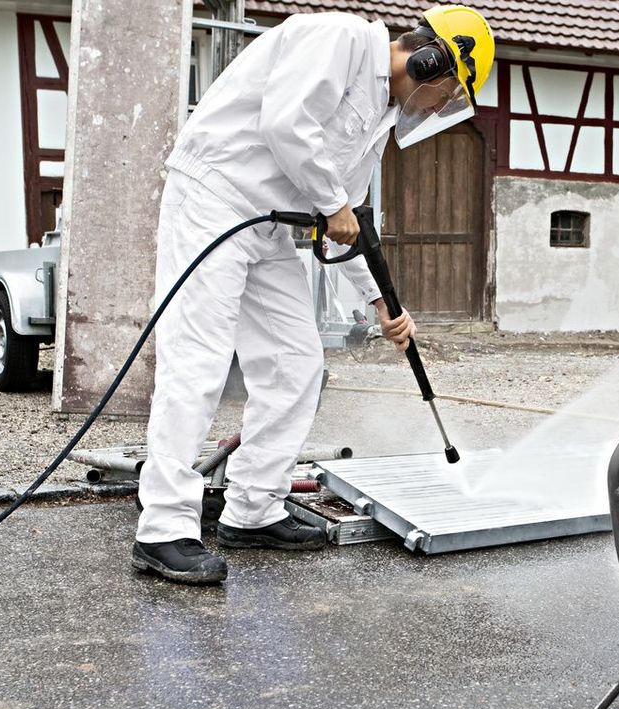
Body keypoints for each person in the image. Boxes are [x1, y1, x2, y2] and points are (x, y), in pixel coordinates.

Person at [132, 6, 496, 584]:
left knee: (295, 363)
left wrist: (383, 303)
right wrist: (334, 205)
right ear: (431, 62)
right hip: (213, 200)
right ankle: (164, 529)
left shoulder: (376, 120)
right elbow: (286, 124)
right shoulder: (339, 39)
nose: (437, 108)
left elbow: (345, 224)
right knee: (197, 361)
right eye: (446, 95)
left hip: (268, 225)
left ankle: (252, 510)